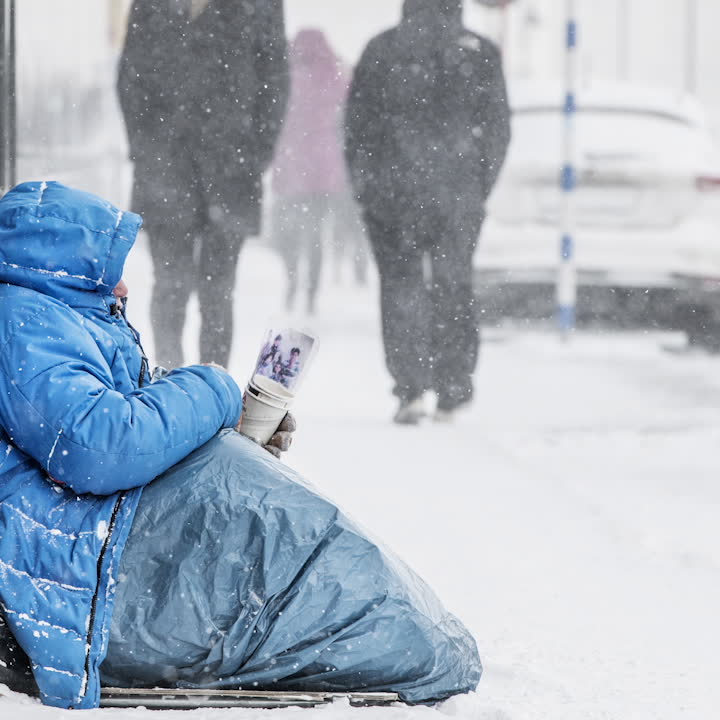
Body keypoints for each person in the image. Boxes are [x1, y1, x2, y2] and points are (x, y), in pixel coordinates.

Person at [0, 182, 481, 709]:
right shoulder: (23, 320)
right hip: (88, 555)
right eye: (106, 264)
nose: (121, 287)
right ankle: (400, 647)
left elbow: (113, 408)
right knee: (274, 535)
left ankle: (398, 639)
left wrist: (219, 428)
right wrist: (213, 388)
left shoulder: (56, 315)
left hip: (101, 531)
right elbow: (95, 448)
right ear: (58, 263)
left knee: (278, 524)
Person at [345, 0, 511, 424]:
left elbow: (357, 127)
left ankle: (411, 388)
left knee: (401, 285)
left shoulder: (382, 50)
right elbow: (496, 131)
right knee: (453, 284)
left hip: (391, 194)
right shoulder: (479, 53)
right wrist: (476, 187)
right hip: (456, 195)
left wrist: (367, 185)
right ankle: (453, 388)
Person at [117, 0, 289, 368]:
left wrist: (255, 155)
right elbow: (130, 79)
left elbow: (275, 82)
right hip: (167, 167)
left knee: (217, 292)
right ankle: (168, 379)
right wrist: (145, 149)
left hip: (231, 170)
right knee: (171, 286)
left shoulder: (260, 6)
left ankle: (211, 386)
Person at [271, 29, 349, 315]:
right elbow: (349, 117)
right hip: (323, 173)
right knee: (315, 235)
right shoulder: (336, 78)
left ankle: (292, 279)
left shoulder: (286, 78)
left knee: (289, 233)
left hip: (292, 168)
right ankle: (311, 292)